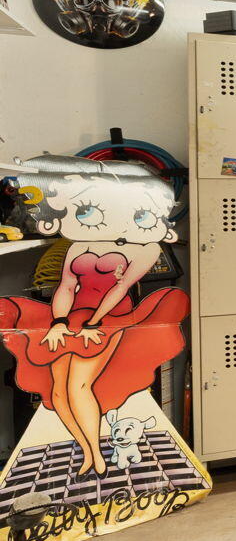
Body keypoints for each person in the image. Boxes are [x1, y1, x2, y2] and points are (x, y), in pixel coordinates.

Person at [0, 162, 188, 476]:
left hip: (110, 317)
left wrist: (94, 323)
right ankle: (88, 452)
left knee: (80, 386)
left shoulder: (145, 249)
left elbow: (121, 288)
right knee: (57, 392)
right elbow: (66, 286)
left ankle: (98, 456)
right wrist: (59, 323)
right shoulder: (78, 246)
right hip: (73, 316)